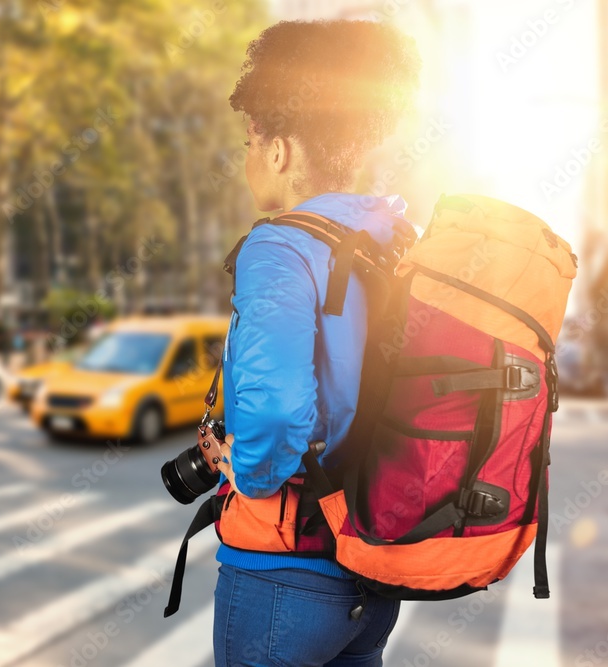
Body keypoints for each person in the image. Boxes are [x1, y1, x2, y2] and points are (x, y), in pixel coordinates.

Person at [211, 19, 422, 667]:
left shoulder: (279, 246)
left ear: (278, 150)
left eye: (250, 140)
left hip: (284, 569)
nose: (249, 158)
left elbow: (275, 412)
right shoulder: (394, 237)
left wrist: (242, 468)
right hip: (370, 566)